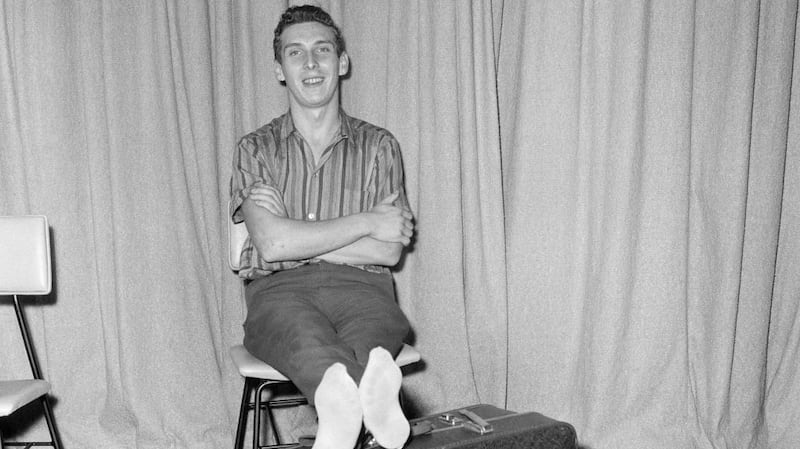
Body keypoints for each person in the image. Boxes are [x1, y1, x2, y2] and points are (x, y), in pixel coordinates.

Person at [229, 5, 415, 449]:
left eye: (322, 50)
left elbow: (388, 252)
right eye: (296, 53)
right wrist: (367, 222)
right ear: (280, 69)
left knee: (374, 337)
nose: (310, 63)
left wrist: (296, 236)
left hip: (364, 289)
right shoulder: (255, 149)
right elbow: (272, 247)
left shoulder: (379, 146)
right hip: (278, 290)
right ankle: (354, 398)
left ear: (342, 62)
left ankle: (347, 400)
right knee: (305, 338)